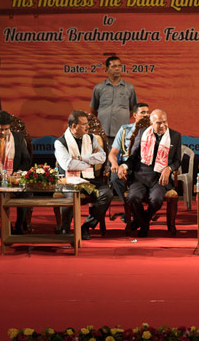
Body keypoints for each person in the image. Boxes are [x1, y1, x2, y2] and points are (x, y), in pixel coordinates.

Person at [118, 110, 182, 237]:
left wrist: (169, 168)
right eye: (159, 123)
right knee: (133, 198)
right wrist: (124, 165)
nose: (162, 125)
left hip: (160, 177)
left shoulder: (175, 135)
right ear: (152, 123)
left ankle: (141, 221)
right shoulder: (142, 133)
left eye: (165, 122)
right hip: (140, 175)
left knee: (157, 200)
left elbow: (177, 161)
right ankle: (144, 223)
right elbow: (133, 157)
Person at [54, 110, 111, 240]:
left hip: (89, 179)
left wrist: (79, 158)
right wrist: (89, 160)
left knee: (106, 194)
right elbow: (67, 164)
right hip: (70, 180)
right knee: (71, 197)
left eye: (87, 124)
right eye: (84, 124)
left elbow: (102, 157)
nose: (88, 127)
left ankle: (86, 226)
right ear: (74, 126)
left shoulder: (91, 138)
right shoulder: (60, 142)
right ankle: (65, 229)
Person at [109, 103, 150, 213]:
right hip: (126, 163)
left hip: (144, 164)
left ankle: (135, 209)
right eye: (142, 112)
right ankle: (133, 210)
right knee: (115, 178)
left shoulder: (152, 130)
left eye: (147, 112)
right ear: (135, 115)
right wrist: (114, 164)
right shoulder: (124, 130)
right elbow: (113, 153)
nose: (146, 115)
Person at [90, 56, 138, 146]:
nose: (117, 69)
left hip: (122, 131)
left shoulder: (129, 88)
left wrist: (121, 115)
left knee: (120, 158)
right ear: (107, 68)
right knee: (104, 157)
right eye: (114, 66)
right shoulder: (99, 88)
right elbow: (93, 109)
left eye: (119, 66)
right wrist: (105, 116)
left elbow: (133, 109)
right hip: (103, 132)